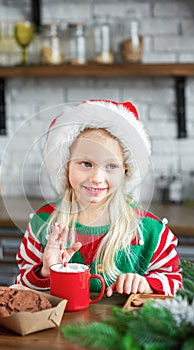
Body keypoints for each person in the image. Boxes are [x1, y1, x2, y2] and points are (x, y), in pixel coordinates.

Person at [15, 100, 182, 296]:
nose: (96, 178)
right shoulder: (43, 224)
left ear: (125, 171)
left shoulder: (151, 232)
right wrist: (46, 271)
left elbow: (176, 282)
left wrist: (146, 285)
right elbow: (22, 289)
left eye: (111, 166)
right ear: (65, 166)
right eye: (86, 163)